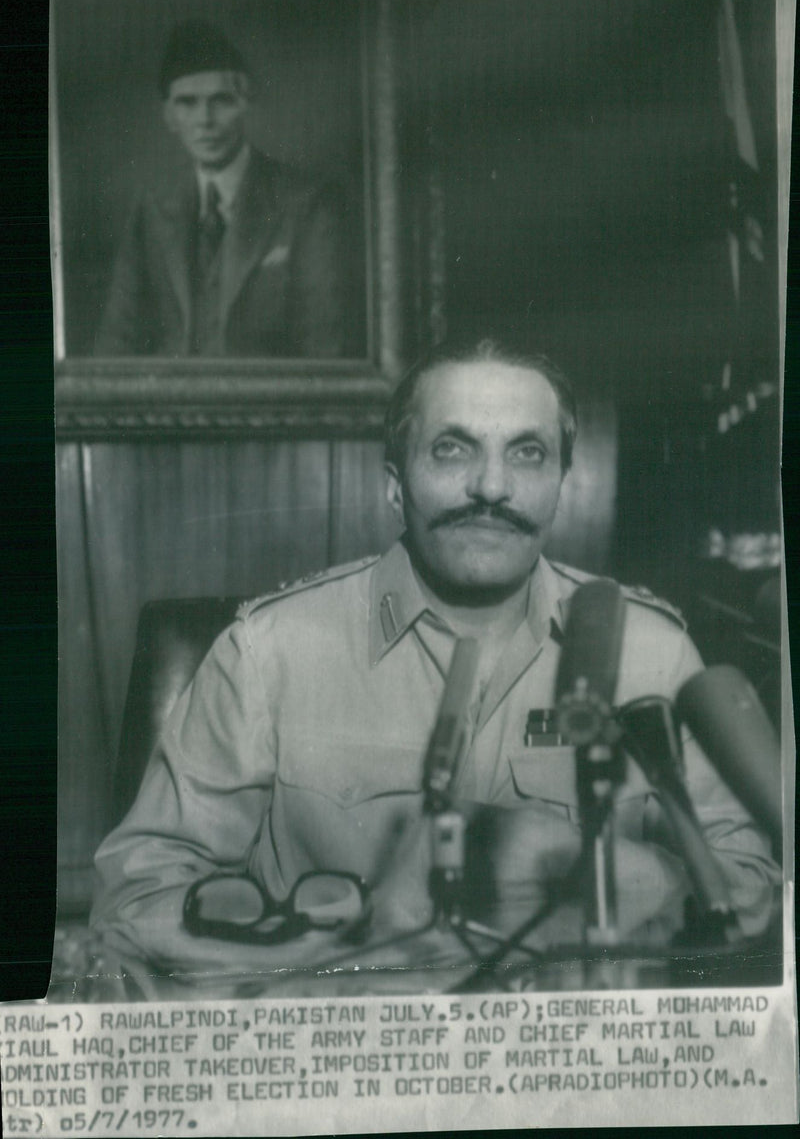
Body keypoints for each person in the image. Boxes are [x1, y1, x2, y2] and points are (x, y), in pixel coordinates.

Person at [91, 334, 779, 984]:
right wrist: (342, 964)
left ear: (561, 484)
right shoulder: (269, 653)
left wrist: (564, 870)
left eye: (528, 453)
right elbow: (135, 898)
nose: (491, 486)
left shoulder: (652, 655)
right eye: (453, 450)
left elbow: (751, 893)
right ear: (396, 483)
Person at [95, 20, 351, 357]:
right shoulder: (151, 208)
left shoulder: (307, 201)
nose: (205, 119)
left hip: (273, 406)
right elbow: (117, 339)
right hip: (168, 407)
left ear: (247, 105)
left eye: (222, 100)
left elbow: (325, 343)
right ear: (169, 116)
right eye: (187, 103)